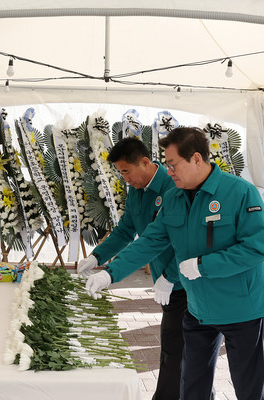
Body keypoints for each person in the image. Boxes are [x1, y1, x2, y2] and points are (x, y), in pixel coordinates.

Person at [86, 127, 264, 400]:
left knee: (249, 389)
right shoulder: (174, 198)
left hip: (239, 309)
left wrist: (203, 265)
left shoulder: (240, 192)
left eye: (172, 165)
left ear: (197, 159)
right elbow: (149, 241)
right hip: (197, 309)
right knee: (191, 387)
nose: (168, 172)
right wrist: (110, 274)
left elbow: (255, 249)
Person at [77, 137, 187, 400]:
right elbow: (127, 229)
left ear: (146, 162)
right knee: (183, 348)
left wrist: (169, 276)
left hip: (182, 279)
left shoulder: (172, 188)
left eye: (126, 171)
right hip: (165, 280)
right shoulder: (137, 189)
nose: (125, 178)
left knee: (176, 348)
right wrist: (97, 257)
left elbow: (178, 241)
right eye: (120, 172)